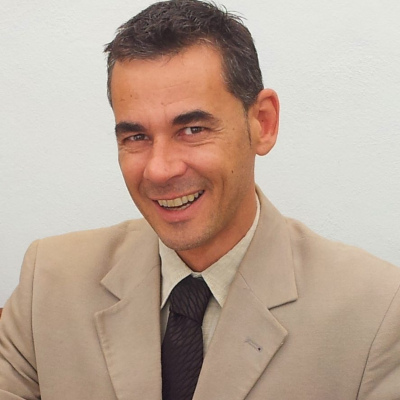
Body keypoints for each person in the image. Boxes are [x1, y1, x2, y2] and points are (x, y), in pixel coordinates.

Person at [0, 0, 399, 399]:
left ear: (263, 123)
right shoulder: (48, 283)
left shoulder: (377, 312)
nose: (159, 170)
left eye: (192, 129)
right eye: (136, 136)